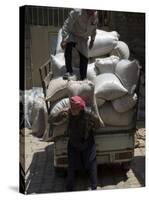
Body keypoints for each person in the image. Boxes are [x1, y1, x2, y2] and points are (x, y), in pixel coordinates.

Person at [49, 96, 100, 191]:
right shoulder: (67, 113)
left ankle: (94, 186)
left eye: (75, 109)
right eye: (71, 108)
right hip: (73, 143)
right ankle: (70, 187)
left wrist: (90, 126)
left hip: (87, 142)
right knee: (71, 166)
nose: (72, 110)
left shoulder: (89, 113)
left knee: (91, 163)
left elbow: (98, 124)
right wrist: (60, 112)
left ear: (81, 108)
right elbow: (50, 120)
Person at [61, 9, 98, 80]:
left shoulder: (95, 15)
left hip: (83, 39)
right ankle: (69, 71)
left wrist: (92, 40)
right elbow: (67, 25)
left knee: (85, 57)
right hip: (73, 35)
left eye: (94, 11)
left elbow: (94, 28)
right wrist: (64, 39)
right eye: (92, 10)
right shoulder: (77, 12)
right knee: (68, 47)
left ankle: (83, 77)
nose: (93, 12)